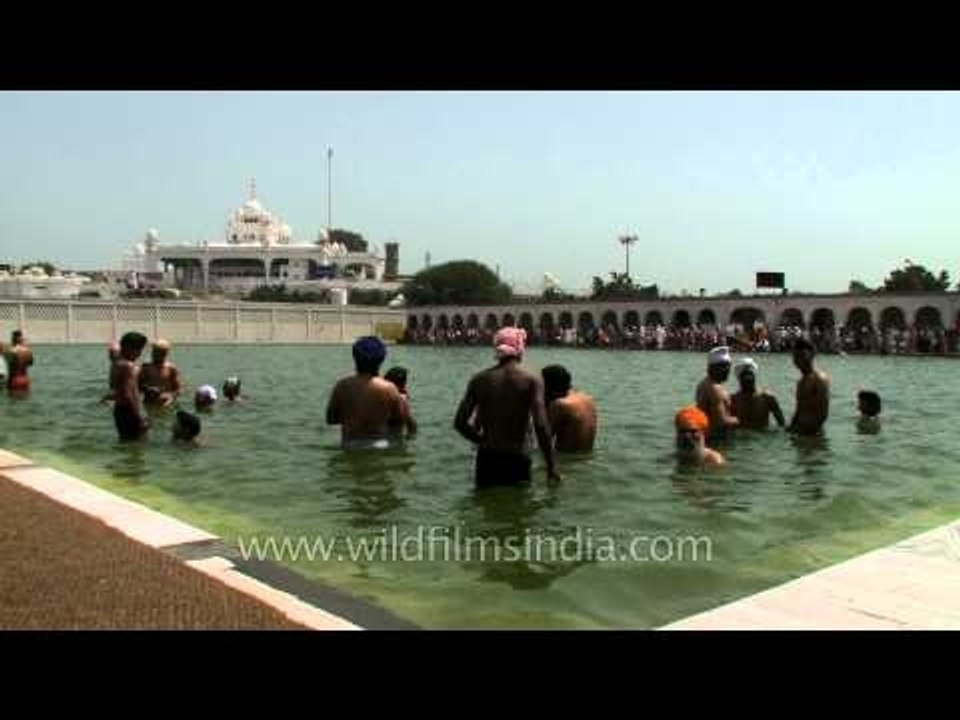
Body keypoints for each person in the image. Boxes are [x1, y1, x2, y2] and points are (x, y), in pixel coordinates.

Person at [453, 326, 561, 487]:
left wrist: (482, 441)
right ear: (520, 349)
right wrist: (551, 466)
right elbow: (540, 425)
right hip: (517, 455)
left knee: (486, 506)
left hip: (487, 457)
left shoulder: (479, 380)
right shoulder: (531, 379)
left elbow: (460, 423)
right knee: (519, 507)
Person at [326, 336, 405, 449]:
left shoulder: (342, 386)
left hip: (350, 445)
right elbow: (398, 421)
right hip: (379, 446)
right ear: (381, 359)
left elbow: (331, 419)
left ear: (355, 357)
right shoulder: (389, 388)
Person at [541, 364, 598, 452]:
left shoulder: (560, 404)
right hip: (586, 458)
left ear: (548, 386)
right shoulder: (588, 399)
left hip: (564, 460)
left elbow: (544, 439)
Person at [111, 332, 150, 441]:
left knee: (125, 442)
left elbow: (115, 386)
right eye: (139, 349)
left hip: (119, 410)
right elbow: (129, 394)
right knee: (139, 446)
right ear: (129, 348)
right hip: (130, 411)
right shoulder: (129, 366)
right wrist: (139, 416)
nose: (140, 353)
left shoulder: (116, 363)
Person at [788, 337, 830, 436]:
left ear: (812, 354)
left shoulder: (820, 379)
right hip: (800, 434)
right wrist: (791, 428)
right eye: (795, 356)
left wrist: (809, 434)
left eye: (802, 355)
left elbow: (823, 414)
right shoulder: (800, 382)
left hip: (813, 436)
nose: (798, 360)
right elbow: (798, 410)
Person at [695, 346, 739, 441]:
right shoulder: (715, 389)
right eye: (723, 366)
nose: (727, 370)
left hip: (706, 438)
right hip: (716, 442)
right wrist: (740, 419)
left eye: (728, 366)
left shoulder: (703, 383)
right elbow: (721, 422)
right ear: (712, 368)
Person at [730, 357, 786, 430]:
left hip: (762, 437)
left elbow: (782, 424)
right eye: (745, 375)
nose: (748, 378)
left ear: (754, 376)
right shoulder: (733, 399)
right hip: (742, 437)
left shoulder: (767, 398)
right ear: (739, 378)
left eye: (750, 375)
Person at [139, 338, 181, 408]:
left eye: (161, 353)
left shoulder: (171, 368)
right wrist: (148, 389)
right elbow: (137, 386)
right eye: (155, 352)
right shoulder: (145, 367)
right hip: (149, 402)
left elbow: (178, 389)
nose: (156, 355)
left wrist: (170, 398)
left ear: (166, 354)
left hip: (165, 403)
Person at [384, 366, 417, 437]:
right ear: (403, 383)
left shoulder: (379, 395)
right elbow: (411, 424)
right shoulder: (402, 398)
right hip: (395, 440)